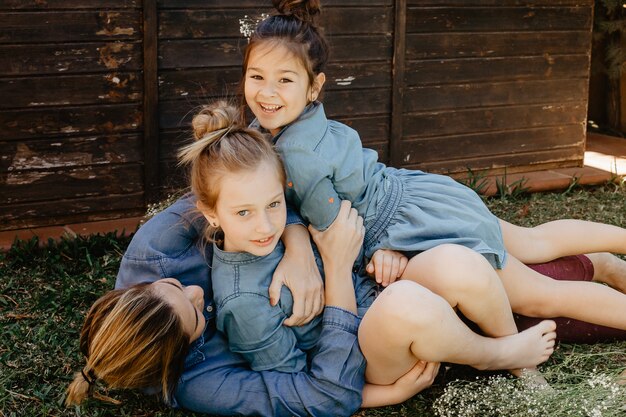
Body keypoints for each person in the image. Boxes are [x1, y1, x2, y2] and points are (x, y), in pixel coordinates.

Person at [241, 0, 626, 345]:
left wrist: (381, 251)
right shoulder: (295, 123)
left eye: (285, 79)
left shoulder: (295, 151)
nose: (267, 92)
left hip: (408, 225)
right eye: (256, 76)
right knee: (534, 241)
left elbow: (337, 230)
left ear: (314, 86)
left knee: (539, 294)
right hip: (422, 195)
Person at [177, 100, 560, 376]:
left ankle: (519, 357)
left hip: (374, 288)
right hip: (360, 354)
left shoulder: (280, 219)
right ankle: (493, 355)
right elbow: (296, 385)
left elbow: (344, 237)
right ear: (211, 212)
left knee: (458, 263)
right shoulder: (245, 305)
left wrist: (383, 253)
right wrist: (383, 396)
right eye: (244, 213)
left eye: (274, 204)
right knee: (403, 303)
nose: (265, 225)